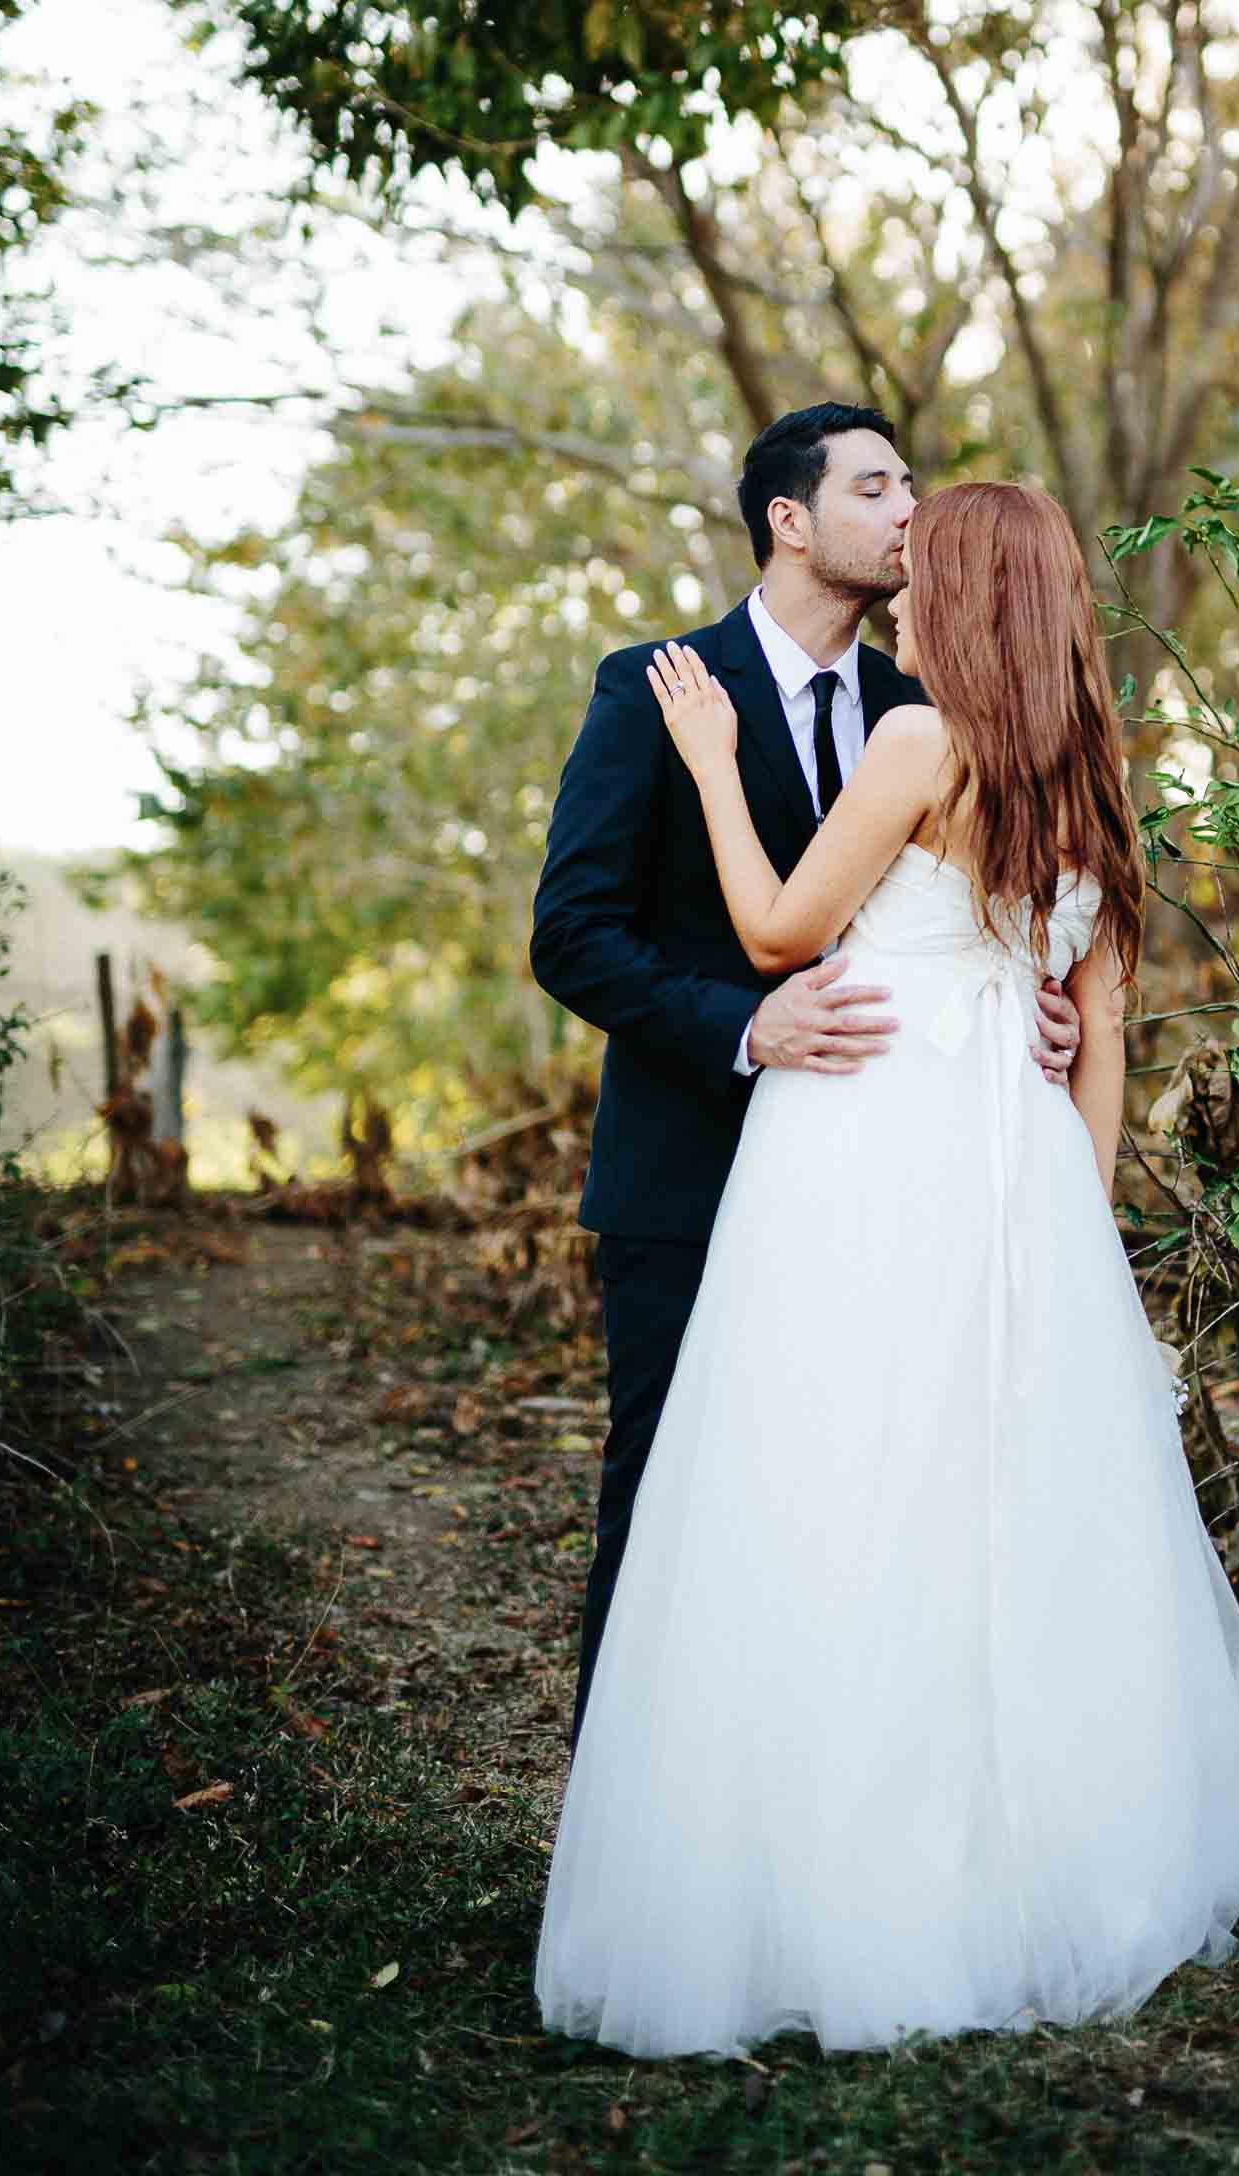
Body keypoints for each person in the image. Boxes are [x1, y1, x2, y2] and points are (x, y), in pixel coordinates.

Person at [536, 479, 1239, 2060]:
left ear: (965, 603)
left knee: (835, 1485)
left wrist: (720, 773)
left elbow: (781, 931)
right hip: (1017, 1178)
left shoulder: (916, 746)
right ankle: (1030, 1859)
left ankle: (833, 1865)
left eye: (926, 570)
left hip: (866, 1159)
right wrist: (1076, 1238)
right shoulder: (1092, 776)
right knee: (997, 1511)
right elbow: (1103, 1029)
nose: (903, 591)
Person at [530, 405, 1082, 1743]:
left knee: (858, 1499)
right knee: (665, 1498)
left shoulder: (921, 708)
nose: (910, 512)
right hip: (692, 1170)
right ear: (791, 518)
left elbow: (979, 915)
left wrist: (1035, 1007)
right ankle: (633, 1810)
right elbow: (573, 934)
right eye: (878, 486)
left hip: (891, 1181)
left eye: (914, 488)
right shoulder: (658, 686)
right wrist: (743, 1024)